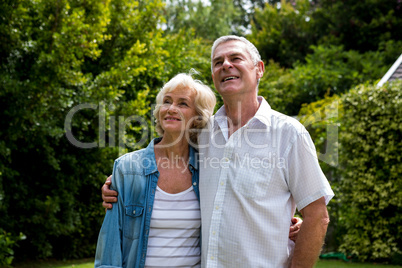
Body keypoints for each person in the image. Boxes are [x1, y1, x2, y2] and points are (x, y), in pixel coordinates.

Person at [103, 35, 328, 267]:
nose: (226, 65)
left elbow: (318, 215)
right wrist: (122, 180)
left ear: (259, 69)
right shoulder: (202, 133)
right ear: (213, 76)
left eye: (235, 58)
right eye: (218, 62)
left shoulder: (289, 134)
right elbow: (165, 160)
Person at [95, 73, 216, 267]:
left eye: (183, 103)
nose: (171, 109)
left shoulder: (209, 168)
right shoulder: (127, 168)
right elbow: (110, 244)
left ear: (197, 117)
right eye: (167, 101)